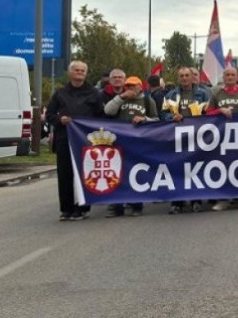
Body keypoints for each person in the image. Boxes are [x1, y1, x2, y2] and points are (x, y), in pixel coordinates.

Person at [45, 61, 104, 221]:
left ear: (86, 73)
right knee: (65, 174)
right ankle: (66, 209)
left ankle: (83, 207)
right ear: (70, 73)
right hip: (65, 138)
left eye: (82, 70)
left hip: (87, 140)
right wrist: (59, 120)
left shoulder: (94, 93)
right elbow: (49, 114)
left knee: (86, 173)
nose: (79, 73)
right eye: (76, 70)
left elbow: (101, 116)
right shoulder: (60, 93)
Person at [103, 76, 158, 217]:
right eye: (127, 86)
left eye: (133, 86)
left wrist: (144, 119)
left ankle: (136, 205)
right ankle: (117, 206)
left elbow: (156, 120)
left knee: (136, 172)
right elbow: (108, 111)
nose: (130, 89)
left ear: (140, 87)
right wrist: (121, 97)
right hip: (120, 141)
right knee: (118, 173)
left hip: (139, 142)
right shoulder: (120, 99)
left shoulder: (147, 101)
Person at [162, 66, 210, 213]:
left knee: (196, 167)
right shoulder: (170, 95)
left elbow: (210, 113)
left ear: (191, 77)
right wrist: (172, 117)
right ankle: (177, 201)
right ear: (178, 78)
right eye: (181, 76)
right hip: (177, 137)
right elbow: (162, 114)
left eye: (186, 75)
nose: (184, 78)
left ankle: (196, 200)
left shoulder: (203, 94)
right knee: (177, 168)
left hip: (196, 136)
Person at [206, 67, 238, 210]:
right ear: (223, 77)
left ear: (237, 77)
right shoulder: (217, 93)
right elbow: (208, 113)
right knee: (223, 168)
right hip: (221, 138)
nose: (230, 77)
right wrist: (220, 110)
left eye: (233, 75)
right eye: (227, 75)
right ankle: (223, 199)